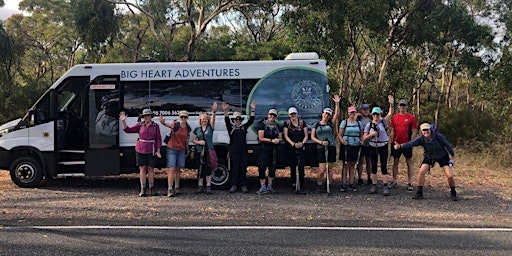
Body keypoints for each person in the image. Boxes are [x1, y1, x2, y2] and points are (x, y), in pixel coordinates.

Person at [394, 123, 458, 201]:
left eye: (427, 130)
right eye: (423, 130)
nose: (425, 132)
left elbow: (448, 145)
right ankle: (419, 192)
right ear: (421, 131)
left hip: (442, 156)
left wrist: (453, 156)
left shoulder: (438, 136)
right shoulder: (421, 138)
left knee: (450, 176)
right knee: (421, 172)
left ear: (430, 129)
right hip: (429, 157)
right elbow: (411, 143)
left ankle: (453, 192)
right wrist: (400, 146)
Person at [120, 108, 162, 197]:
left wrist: (158, 151)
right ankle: (143, 189)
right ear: (143, 117)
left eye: (148, 116)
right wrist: (123, 121)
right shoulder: (140, 125)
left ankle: (152, 189)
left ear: (151, 117)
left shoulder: (155, 126)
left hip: (151, 149)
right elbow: (128, 130)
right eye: (145, 116)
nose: (147, 117)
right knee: (142, 169)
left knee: (151, 169)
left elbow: (158, 139)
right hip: (140, 149)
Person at [363, 95, 394, 196]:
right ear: (372, 115)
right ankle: (374, 185)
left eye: (378, 114)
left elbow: (390, 113)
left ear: (380, 114)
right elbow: (364, 137)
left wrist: (391, 104)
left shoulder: (383, 121)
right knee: (374, 165)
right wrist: (371, 134)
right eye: (374, 114)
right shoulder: (369, 125)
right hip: (373, 146)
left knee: (384, 165)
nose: (376, 116)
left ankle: (385, 186)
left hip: (383, 145)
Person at [222, 101, 256, 193]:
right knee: (235, 169)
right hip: (234, 151)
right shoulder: (231, 128)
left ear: (241, 120)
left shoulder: (243, 127)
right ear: (233, 120)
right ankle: (234, 185)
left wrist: (252, 109)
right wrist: (225, 111)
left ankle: (244, 186)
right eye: (235, 119)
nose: (237, 121)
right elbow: (226, 121)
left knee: (243, 168)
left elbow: (251, 120)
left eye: (239, 119)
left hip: (243, 151)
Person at [311, 95, 340, 193]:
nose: (326, 115)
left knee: (330, 168)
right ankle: (319, 185)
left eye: (328, 114)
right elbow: (312, 137)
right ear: (322, 113)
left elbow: (337, 114)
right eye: (325, 113)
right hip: (320, 147)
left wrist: (337, 103)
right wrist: (321, 142)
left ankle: (329, 185)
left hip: (331, 146)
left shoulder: (330, 124)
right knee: (322, 169)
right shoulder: (317, 124)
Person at [159, 110, 191, 197]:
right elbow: (167, 125)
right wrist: (163, 122)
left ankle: (177, 187)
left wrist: (187, 150)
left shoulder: (188, 128)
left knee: (178, 169)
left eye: (185, 117)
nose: (183, 118)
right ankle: (170, 189)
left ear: (187, 118)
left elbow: (187, 140)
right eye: (182, 117)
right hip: (172, 148)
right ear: (179, 117)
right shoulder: (175, 124)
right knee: (172, 168)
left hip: (181, 149)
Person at [390, 99, 418, 191]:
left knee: (409, 162)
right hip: (396, 143)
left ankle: (410, 182)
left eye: (404, 105)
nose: (402, 107)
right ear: (398, 106)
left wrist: (411, 143)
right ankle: (394, 181)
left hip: (407, 144)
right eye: (401, 105)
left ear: (407, 106)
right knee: (395, 162)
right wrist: (392, 141)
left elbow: (414, 131)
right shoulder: (394, 117)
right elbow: (392, 130)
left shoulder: (411, 117)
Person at [192, 102, 218, 194]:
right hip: (199, 151)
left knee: (208, 168)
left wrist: (214, 112)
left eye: (206, 119)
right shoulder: (197, 129)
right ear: (200, 120)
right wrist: (199, 142)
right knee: (200, 169)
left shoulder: (210, 128)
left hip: (208, 150)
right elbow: (193, 140)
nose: (204, 120)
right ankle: (200, 186)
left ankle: (208, 186)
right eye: (203, 119)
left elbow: (213, 119)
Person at [256, 108, 283, 194]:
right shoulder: (262, 124)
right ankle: (262, 186)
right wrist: (271, 140)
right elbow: (260, 137)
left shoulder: (277, 126)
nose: (272, 116)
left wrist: (278, 140)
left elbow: (280, 137)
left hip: (274, 149)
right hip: (264, 148)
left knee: (272, 167)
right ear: (268, 115)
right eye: (271, 115)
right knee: (262, 166)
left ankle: (270, 186)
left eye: (274, 115)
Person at [283, 107, 308, 194]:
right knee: (293, 166)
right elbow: (286, 136)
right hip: (291, 147)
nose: (293, 115)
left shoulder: (302, 123)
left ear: (297, 114)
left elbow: (306, 135)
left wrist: (302, 143)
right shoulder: (287, 124)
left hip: (301, 146)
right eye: (291, 114)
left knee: (301, 166)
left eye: (294, 114)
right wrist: (293, 144)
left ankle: (301, 185)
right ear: (289, 115)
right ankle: (294, 183)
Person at [338, 106, 363, 192]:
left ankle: (351, 183)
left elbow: (361, 135)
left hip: (355, 145)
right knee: (345, 165)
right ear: (348, 113)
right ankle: (343, 183)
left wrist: (362, 141)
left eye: (354, 112)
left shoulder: (359, 123)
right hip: (346, 145)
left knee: (352, 165)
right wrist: (342, 141)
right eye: (351, 112)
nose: (352, 114)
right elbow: (340, 134)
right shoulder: (344, 122)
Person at [356, 103, 372, 186]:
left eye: (367, 109)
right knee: (360, 161)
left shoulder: (371, 118)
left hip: (370, 142)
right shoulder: (358, 119)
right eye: (364, 109)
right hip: (360, 142)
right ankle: (360, 178)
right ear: (361, 110)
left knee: (369, 161)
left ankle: (369, 178)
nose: (366, 111)